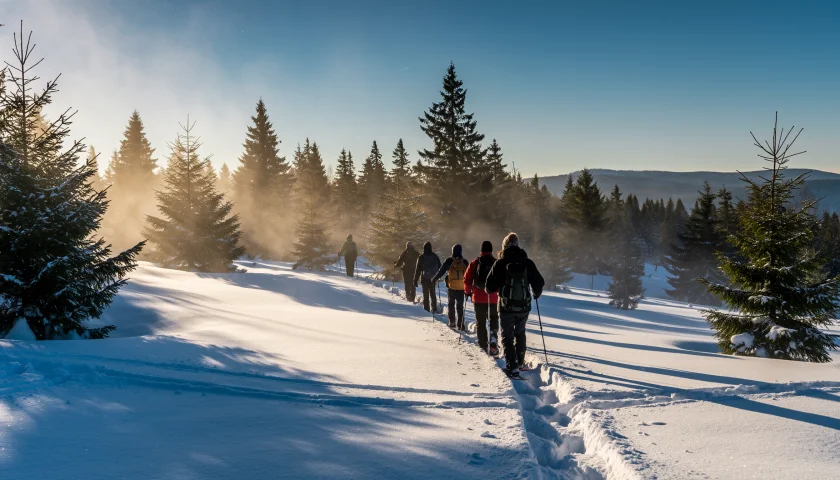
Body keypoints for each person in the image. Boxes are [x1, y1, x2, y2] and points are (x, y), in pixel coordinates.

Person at [485, 233, 545, 378]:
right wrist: (536, 293)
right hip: (524, 306)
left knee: (507, 336)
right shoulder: (527, 262)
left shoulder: (500, 263)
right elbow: (540, 282)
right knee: (520, 333)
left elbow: (489, 287)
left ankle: (512, 367)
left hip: (506, 306)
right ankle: (520, 362)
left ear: (504, 246)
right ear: (518, 245)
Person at [464, 240, 499, 355]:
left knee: (481, 322)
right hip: (493, 298)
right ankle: (493, 342)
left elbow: (467, 279)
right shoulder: (496, 262)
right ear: (491, 250)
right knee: (493, 319)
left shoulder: (475, 262)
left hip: (478, 297)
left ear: (481, 250)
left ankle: (483, 345)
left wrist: (467, 292)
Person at [432, 244, 469, 330]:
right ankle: (460, 324)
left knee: (451, 304)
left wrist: (434, 279)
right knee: (460, 306)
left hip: (451, 287)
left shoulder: (449, 260)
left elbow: (441, 271)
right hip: (461, 287)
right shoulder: (465, 262)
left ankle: (452, 321)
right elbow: (469, 275)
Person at [413, 242, 441, 313]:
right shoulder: (434, 256)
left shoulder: (421, 257)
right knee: (433, 293)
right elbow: (440, 266)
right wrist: (437, 276)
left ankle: (426, 309)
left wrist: (415, 279)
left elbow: (418, 269)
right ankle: (434, 308)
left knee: (425, 294)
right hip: (433, 278)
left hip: (424, 278)